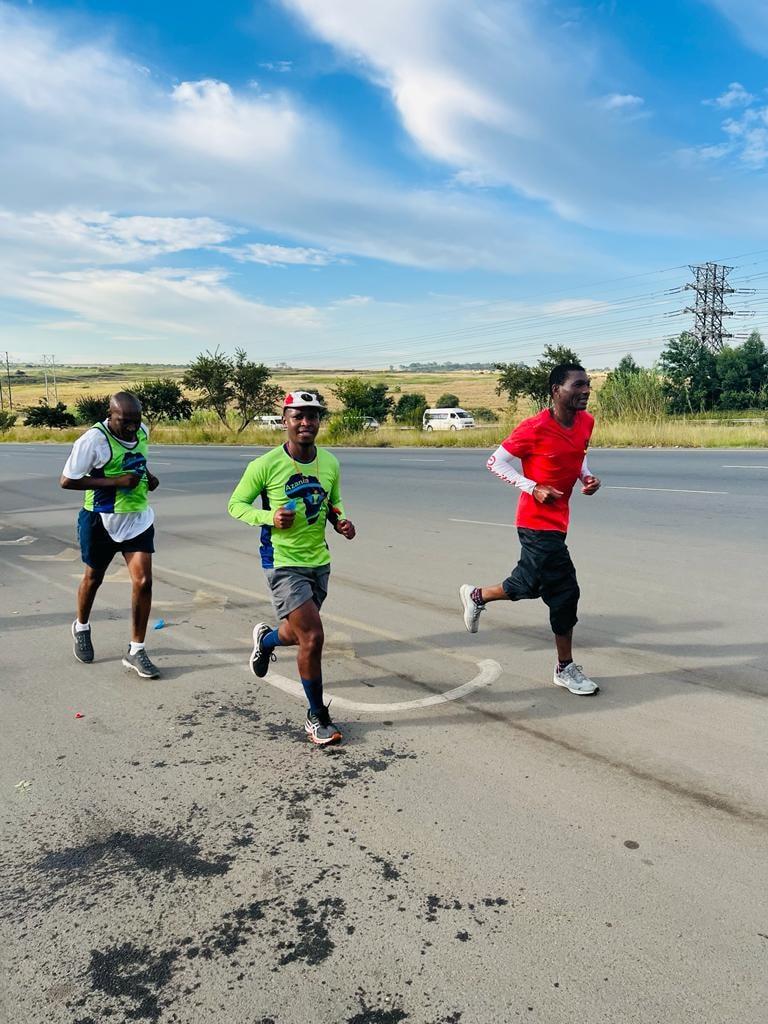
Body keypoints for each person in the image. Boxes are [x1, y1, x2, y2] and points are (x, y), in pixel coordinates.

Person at [459, 363, 601, 695]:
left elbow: (578, 453)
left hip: (560, 520)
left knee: (530, 583)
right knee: (565, 592)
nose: (585, 391)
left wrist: (586, 477)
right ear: (556, 390)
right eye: (578, 385)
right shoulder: (534, 427)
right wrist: (532, 486)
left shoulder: (586, 422)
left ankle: (477, 595)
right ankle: (565, 668)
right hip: (535, 523)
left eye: (587, 384)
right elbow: (495, 462)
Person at [227, 391, 356, 745]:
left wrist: (341, 522)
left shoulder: (330, 462)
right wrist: (269, 516)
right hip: (282, 562)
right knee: (312, 636)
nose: (305, 423)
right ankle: (316, 716)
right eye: (298, 416)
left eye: (312, 416)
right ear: (285, 420)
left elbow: (333, 502)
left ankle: (266, 640)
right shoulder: (265, 465)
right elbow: (236, 505)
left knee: (297, 633)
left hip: (319, 560)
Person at [60, 392, 161, 678]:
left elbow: (137, 460)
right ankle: (81, 626)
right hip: (100, 520)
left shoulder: (142, 430)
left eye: (136, 421)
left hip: (137, 518)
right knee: (93, 579)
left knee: (143, 581)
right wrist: (115, 482)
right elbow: (67, 480)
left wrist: (148, 476)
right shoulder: (94, 440)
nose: (131, 427)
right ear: (110, 415)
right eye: (124, 421)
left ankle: (136, 649)